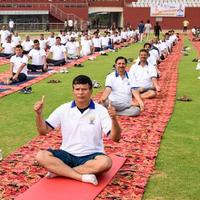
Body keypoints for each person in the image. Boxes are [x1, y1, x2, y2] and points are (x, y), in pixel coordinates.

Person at [34, 75, 121, 185]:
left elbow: (116, 138)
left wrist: (114, 120)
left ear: (90, 91)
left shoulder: (100, 111)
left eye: (84, 89)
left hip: (91, 155)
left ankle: (59, 172)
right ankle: (80, 177)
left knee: (105, 163)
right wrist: (38, 114)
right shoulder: (63, 109)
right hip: (67, 153)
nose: (80, 92)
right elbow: (43, 131)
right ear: (73, 91)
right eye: (77, 89)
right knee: (41, 156)